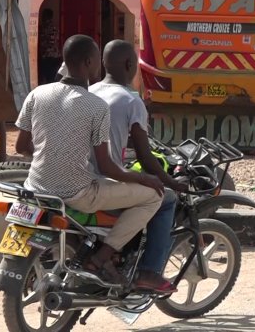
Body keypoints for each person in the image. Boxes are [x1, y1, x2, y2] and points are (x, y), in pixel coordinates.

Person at [15, 34, 164, 285]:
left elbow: (21, 146)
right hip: (78, 194)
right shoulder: (96, 106)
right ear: (87, 62)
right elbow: (106, 166)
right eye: (97, 59)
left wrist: (50, 152)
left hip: (36, 187)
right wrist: (143, 178)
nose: (100, 65)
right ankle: (104, 256)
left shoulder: (37, 94)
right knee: (154, 196)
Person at [89, 40, 186, 293]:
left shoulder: (90, 91)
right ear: (131, 65)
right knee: (164, 198)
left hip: (81, 175)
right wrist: (172, 182)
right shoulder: (132, 101)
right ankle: (150, 271)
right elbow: (145, 158)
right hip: (102, 182)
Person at [38, 9, 62, 84]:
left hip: (47, 56)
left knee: (47, 79)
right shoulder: (55, 27)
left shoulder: (44, 28)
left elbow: (43, 42)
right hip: (55, 56)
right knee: (53, 78)